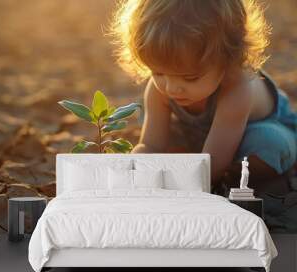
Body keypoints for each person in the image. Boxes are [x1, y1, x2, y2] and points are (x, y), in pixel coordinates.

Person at [109, 0, 297, 232]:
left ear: (228, 61)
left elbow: (213, 163)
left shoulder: (238, 87)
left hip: (254, 133)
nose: (171, 87)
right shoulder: (160, 88)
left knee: (269, 143)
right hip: (201, 138)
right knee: (169, 141)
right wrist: (135, 170)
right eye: (158, 72)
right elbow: (150, 143)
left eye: (189, 78)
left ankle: (247, 181)